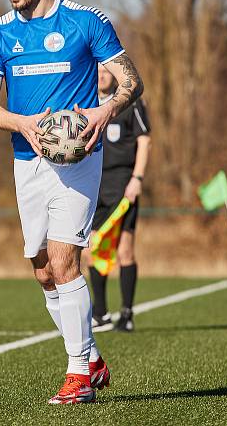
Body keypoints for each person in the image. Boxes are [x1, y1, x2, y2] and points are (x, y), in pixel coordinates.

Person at [0, 0, 144, 405]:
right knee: (44, 271)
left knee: (66, 260)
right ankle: (91, 358)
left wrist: (103, 111)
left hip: (79, 162)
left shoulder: (86, 24)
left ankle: (78, 374)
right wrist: (22, 122)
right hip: (26, 162)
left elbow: (133, 81)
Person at [87, 65, 151, 333]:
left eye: (105, 70)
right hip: (93, 184)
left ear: (114, 74)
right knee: (92, 250)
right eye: (97, 70)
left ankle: (126, 314)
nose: (101, 75)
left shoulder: (130, 102)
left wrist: (137, 178)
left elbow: (144, 141)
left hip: (123, 184)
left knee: (124, 250)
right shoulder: (85, 102)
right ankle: (100, 314)